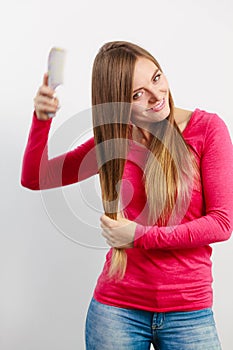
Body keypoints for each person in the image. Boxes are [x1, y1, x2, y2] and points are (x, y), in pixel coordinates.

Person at [21, 41, 233, 350]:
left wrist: (139, 236)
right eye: (137, 94)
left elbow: (221, 223)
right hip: (116, 311)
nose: (157, 96)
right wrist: (41, 120)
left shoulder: (207, 130)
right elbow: (35, 178)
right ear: (118, 103)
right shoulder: (113, 142)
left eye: (156, 78)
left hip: (189, 312)